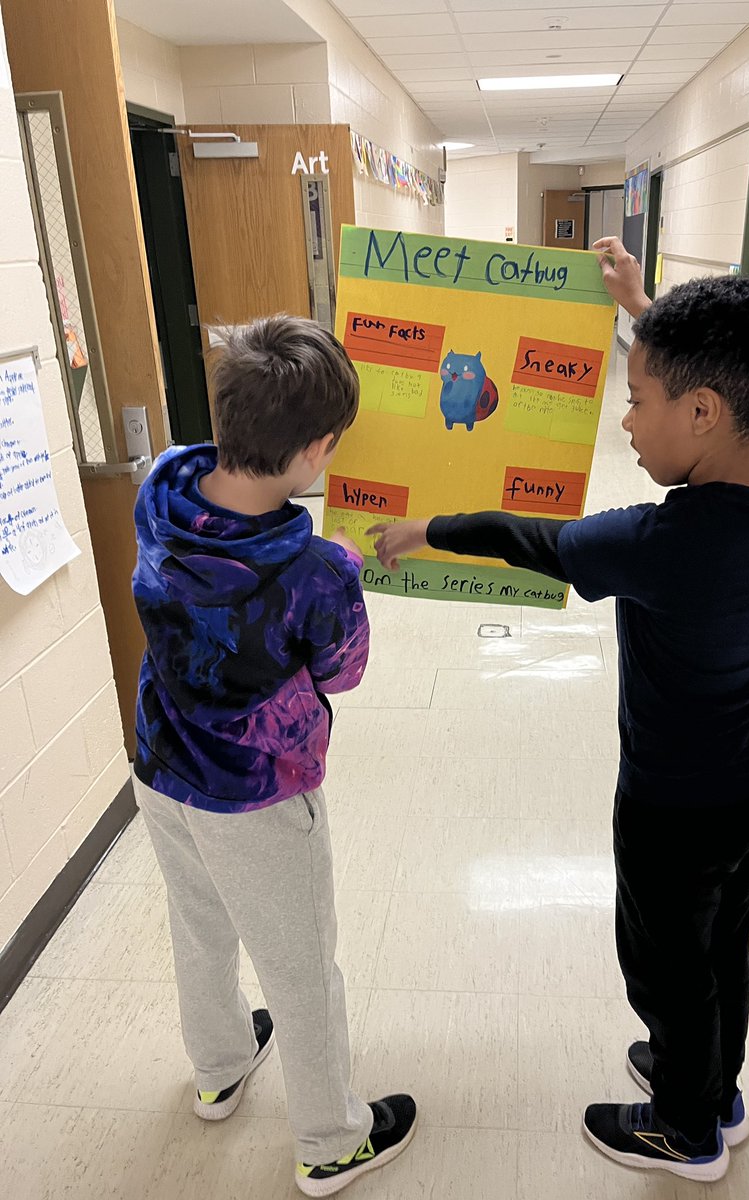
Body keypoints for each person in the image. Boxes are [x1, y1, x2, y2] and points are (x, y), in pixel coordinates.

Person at [369, 242, 749, 1183]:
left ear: (701, 411)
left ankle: (686, 1130)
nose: (625, 421)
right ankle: (714, 1088)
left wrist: (425, 529)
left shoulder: (667, 543)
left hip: (678, 808)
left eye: (638, 399)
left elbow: (532, 538)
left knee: (667, 966)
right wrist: (644, 309)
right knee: (722, 942)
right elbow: (724, 399)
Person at [131, 316, 416, 1196]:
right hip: (256, 793)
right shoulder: (315, 570)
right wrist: (354, 577)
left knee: (199, 922)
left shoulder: (162, 483)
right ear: (319, 449)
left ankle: (218, 1068)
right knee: (298, 962)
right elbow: (345, 670)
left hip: (158, 762)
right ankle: (331, 1138)